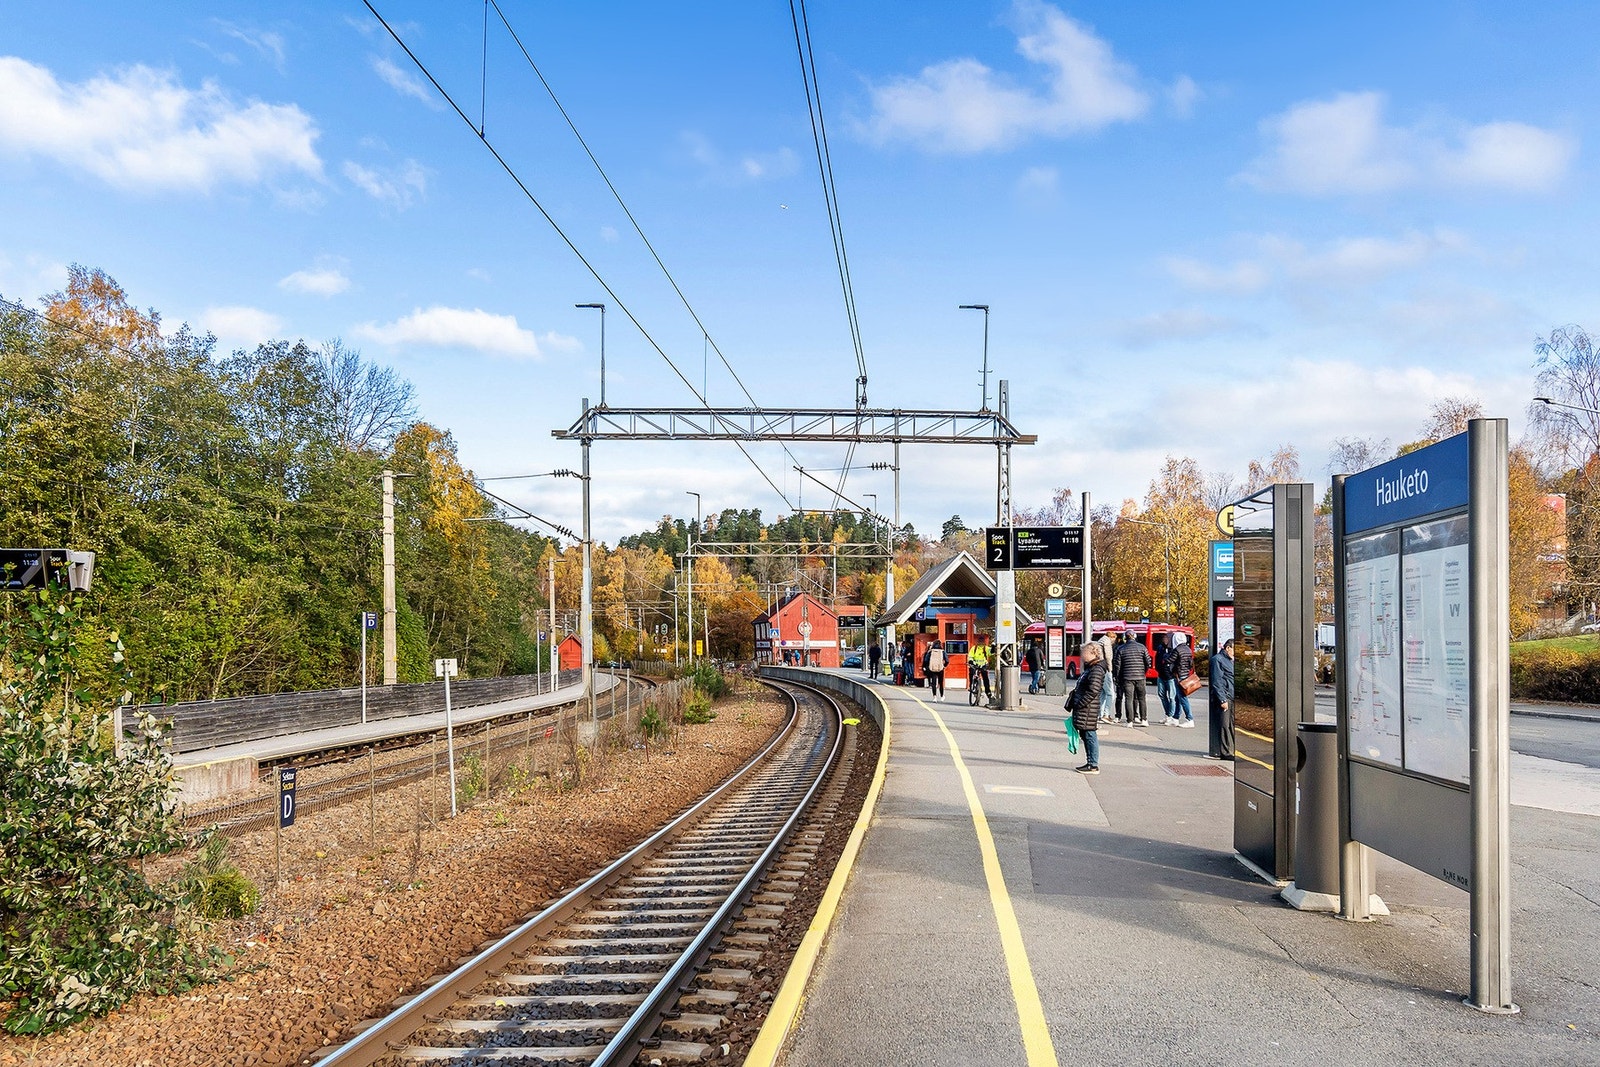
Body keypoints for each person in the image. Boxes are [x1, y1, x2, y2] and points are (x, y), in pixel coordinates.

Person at [1066, 642, 1107, 774]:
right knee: (1086, 734)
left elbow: (1093, 690)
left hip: (1088, 707)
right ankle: (1090, 763)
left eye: (1084, 652)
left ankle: (1093, 764)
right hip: (1086, 707)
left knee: (1089, 734)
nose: (1082, 655)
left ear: (1093, 653)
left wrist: (1080, 703)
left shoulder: (1096, 669)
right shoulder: (1091, 668)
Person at [1206, 639, 1235, 759]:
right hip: (1225, 696)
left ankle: (1232, 748)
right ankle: (1225, 751)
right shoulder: (1217, 660)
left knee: (1232, 724)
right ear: (1228, 648)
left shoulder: (1229, 660)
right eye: (1234, 649)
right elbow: (1217, 681)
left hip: (1232, 696)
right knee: (1224, 724)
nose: (1235, 653)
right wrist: (1222, 699)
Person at [1118, 631, 1152, 726]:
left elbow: (1118, 665)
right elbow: (1148, 662)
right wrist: (1143, 672)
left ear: (1125, 637)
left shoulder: (1121, 649)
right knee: (1142, 698)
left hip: (1127, 677)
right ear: (1135, 637)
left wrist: (1118, 677)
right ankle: (1144, 719)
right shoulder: (1142, 647)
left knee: (1128, 698)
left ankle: (1130, 721)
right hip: (1140, 677)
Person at [1170, 634, 1195, 727]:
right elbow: (1191, 663)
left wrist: (1165, 660)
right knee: (1178, 697)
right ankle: (1176, 717)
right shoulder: (1188, 649)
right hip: (1186, 675)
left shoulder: (1177, 650)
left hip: (1179, 676)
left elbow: (1170, 660)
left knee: (1183, 697)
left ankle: (1189, 718)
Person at [1093, 630, 1116, 723]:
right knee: (1111, 694)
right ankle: (1106, 715)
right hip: (1105, 669)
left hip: (1099, 668)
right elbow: (1108, 656)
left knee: (1103, 692)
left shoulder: (1100, 641)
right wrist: (1110, 669)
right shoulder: (1106, 642)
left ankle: (1100, 714)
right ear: (1112, 637)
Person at [1154, 634, 1177, 723]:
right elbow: (1157, 659)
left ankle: (1170, 715)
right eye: (1163, 638)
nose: (1165, 639)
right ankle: (1167, 714)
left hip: (1170, 677)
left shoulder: (1173, 649)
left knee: (1172, 697)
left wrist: (1172, 671)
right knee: (1162, 695)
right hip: (1161, 675)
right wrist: (1158, 668)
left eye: (1166, 638)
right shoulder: (1160, 648)